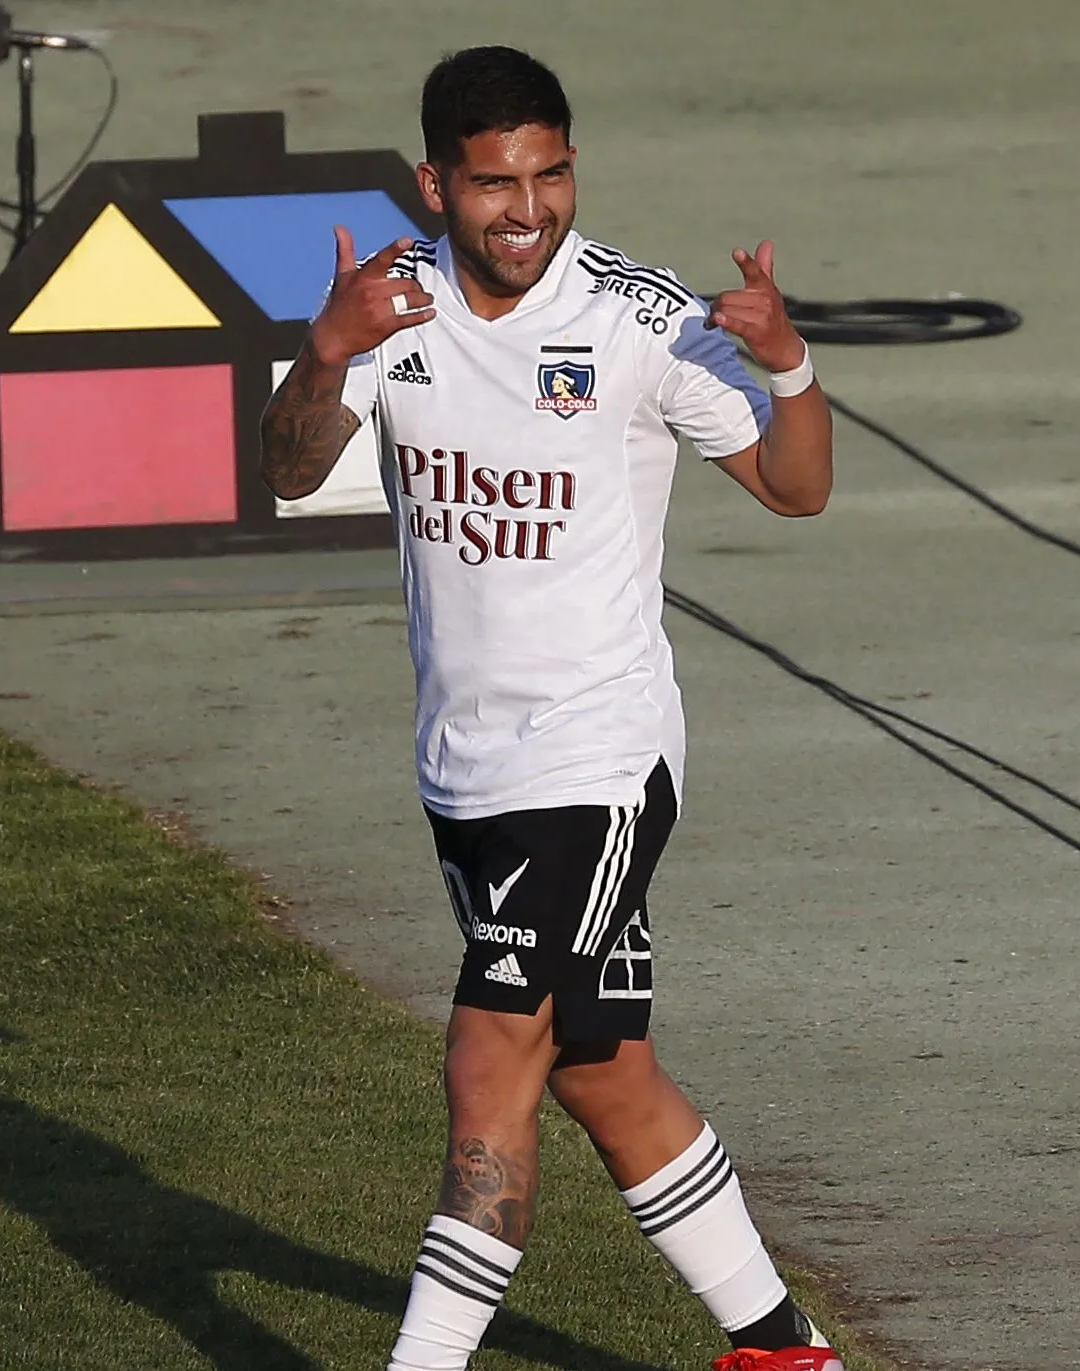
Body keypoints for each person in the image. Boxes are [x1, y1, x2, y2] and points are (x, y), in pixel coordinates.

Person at [259, 44, 839, 1371]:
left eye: (549, 177)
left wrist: (791, 366)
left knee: (486, 1054)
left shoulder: (638, 317)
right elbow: (290, 473)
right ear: (434, 185)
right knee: (595, 1067)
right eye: (493, 186)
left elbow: (793, 489)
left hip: (599, 759)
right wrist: (324, 352)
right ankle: (785, 1350)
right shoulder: (386, 308)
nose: (525, 211)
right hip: (461, 771)